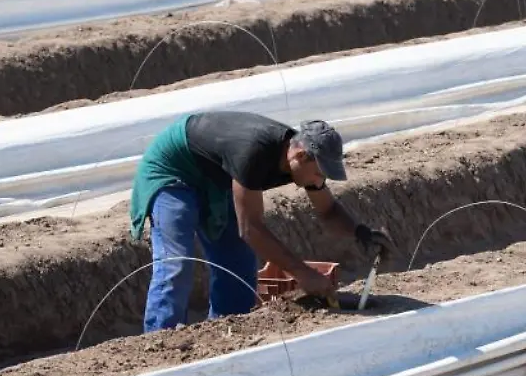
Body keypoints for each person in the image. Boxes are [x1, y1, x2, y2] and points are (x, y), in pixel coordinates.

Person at [128, 110, 395, 333]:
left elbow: (327, 210)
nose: (318, 181)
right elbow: (251, 229)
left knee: (238, 264)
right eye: (318, 173)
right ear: (300, 155)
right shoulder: (253, 152)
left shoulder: (301, 162)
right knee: (178, 263)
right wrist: (303, 274)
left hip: (215, 176)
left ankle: (224, 335)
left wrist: (361, 233)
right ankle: (160, 340)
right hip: (173, 172)